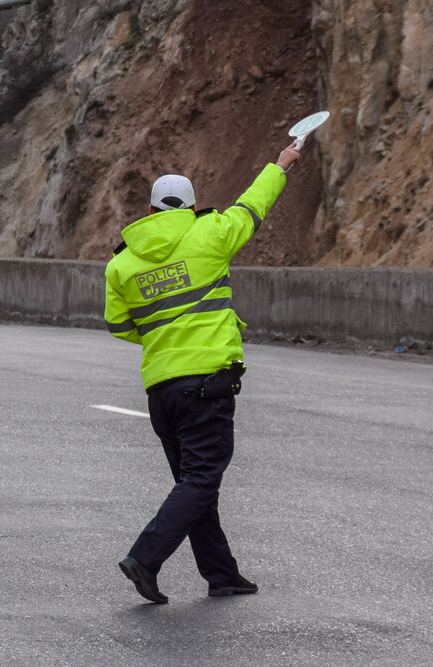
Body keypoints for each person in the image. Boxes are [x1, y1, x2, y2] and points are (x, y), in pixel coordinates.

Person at [104, 141, 302, 604]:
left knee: (194, 484)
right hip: (207, 386)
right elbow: (253, 206)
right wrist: (279, 165)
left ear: (149, 209)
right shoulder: (211, 231)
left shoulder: (121, 263)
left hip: (161, 391)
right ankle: (145, 558)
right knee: (200, 481)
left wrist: (163, 338)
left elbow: (119, 327)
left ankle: (222, 574)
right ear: (193, 205)